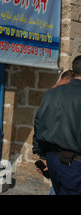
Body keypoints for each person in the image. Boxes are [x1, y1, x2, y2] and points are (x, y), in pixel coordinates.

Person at [33, 55, 81, 195]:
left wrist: (42, 155)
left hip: (53, 160)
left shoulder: (51, 93)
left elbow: (39, 123)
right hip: (74, 163)